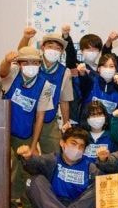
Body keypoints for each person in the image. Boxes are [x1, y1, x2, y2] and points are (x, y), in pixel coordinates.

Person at [0, 46, 55, 208]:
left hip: (24, 133)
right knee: (2, 168)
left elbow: (40, 116)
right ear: (20, 64)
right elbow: (2, 73)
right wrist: (6, 61)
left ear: (40, 64)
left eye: (35, 62)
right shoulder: (14, 73)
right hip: (3, 130)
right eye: (27, 62)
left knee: (25, 168)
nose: (31, 66)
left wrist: (33, 144)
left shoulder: (45, 85)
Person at [18, 126, 102, 208]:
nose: (77, 148)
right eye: (73, 143)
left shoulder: (90, 166)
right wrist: (28, 157)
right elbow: (34, 164)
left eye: (81, 146)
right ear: (62, 143)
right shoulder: (52, 160)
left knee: (101, 186)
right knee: (34, 181)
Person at [18, 28, 75, 157]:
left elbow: (64, 101)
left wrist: (66, 125)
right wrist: (26, 38)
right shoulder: (33, 63)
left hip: (48, 120)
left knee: (55, 156)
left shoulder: (64, 72)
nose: (53, 50)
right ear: (42, 47)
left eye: (58, 48)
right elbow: (21, 54)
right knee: (24, 157)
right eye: (50, 46)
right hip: (26, 118)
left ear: (62, 52)